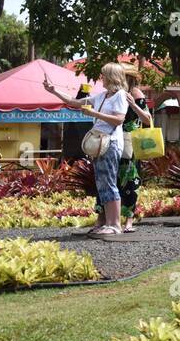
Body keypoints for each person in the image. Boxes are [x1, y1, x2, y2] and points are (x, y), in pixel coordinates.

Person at [44, 62, 130, 237]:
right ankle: (108, 222)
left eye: (104, 74)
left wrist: (94, 115)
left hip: (110, 142)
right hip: (99, 143)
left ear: (112, 77)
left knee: (109, 182)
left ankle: (114, 224)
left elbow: (119, 120)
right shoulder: (102, 96)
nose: (101, 78)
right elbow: (73, 102)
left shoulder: (120, 95)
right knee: (102, 183)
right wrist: (53, 91)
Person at [116, 67, 154, 233]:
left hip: (129, 142)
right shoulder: (114, 92)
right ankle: (111, 219)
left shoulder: (135, 92)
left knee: (130, 179)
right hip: (114, 139)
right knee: (113, 179)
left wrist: (133, 104)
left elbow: (147, 118)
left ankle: (129, 220)